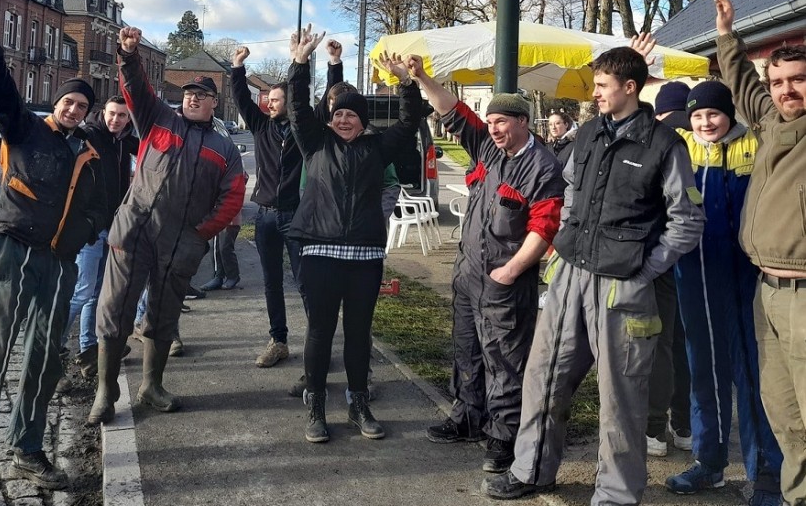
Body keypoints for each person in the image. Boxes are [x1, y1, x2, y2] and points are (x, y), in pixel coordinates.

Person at [481, 45, 705, 503]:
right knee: (544, 377)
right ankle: (531, 471)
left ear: (630, 87)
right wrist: (562, 248)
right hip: (569, 276)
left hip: (623, 287)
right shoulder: (587, 134)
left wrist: (645, 270)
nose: (595, 93)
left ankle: (616, 494)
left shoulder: (664, 145)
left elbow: (687, 221)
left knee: (621, 397)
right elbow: (568, 191)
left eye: (602, 85)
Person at [0, 9, 107, 506]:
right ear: (57, 103)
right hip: (12, 250)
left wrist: (80, 235)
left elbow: (100, 207)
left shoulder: (89, 154)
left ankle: (28, 448)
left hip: (57, 263)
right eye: (69, 101)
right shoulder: (24, 128)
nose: (74, 109)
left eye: (82, 105)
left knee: (43, 360)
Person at [87, 26, 245, 424]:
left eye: (202, 94)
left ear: (214, 102)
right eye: (189, 92)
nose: (193, 97)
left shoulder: (224, 149)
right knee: (115, 310)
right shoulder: (157, 119)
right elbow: (136, 88)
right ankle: (106, 391)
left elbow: (232, 197)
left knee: (163, 314)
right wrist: (128, 54)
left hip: (181, 242)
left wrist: (200, 234)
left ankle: (151, 385)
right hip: (134, 232)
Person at [419, 68, 565, 473]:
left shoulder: (543, 167)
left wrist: (512, 270)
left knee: (504, 359)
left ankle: (503, 435)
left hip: (505, 284)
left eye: (502, 121)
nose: (494, 129)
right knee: (466, 349)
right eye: (491, 121)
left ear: (523, 122)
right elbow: (451, 110)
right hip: (469, 275)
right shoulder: (487, 147)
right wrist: (421, 78)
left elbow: (544, 227)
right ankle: (467, 417)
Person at [288, 26, 421, 443]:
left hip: (364, 255)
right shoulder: (315, 144)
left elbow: (409, 121)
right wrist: (300, 63)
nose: (344, 119)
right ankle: (316, 405)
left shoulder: (377, 148)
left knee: (360, 333)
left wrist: (405, 83)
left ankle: (359, 402)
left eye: (352, 115)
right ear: (330, 118)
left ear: (362, 120)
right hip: (320, 251)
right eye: (339, 114)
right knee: (320, 331)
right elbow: (296, 107)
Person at [661, 81, 783, 505]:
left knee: (754, 370)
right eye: (697, 115)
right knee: (704, 368)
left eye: (713, 113)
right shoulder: (679, 149)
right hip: (696, 274)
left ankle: (766, 469)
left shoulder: (756, 143)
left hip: (750, 275)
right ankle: (708, 461)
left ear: (729, 113)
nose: (706, 122)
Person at [714, 0, 806, 506]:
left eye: (798, 79)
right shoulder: (771, 124)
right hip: (766, 291)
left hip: (804, 295)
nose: (787, 89)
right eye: (779, 82)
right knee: (785, 414)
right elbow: (743, 83)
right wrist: (727, 36)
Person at [231, 43, 318, 369]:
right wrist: (237, 67)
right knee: (272, 282)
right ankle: (278, 340)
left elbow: (310, 102)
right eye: (268, 99)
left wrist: (320, 64)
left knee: (304, 281)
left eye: (276, 100)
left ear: (289, 103)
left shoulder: (302, 131)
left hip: (296, 215)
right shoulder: (261, 126)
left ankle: (317, 344)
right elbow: (242, 98)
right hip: (265, 216)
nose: (269, 104)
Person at [61, 96, 138, 379]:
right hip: (90, 230)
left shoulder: (122, 140)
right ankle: (52, 350)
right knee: (80, 292)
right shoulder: (89, 136)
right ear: (102, 113)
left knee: (96, 294)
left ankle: (88, 349)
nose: (115, 120)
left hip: (112, 227)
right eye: (112, 114)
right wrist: (86, 221)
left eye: (122, 116)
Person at [644, 79, 693, 457]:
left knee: (658, 344)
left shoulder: (658, 140)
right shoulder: (704, 136)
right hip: (698, 262)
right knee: (685, 346)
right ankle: (685, 424)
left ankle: (655, 429)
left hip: (660, 257)